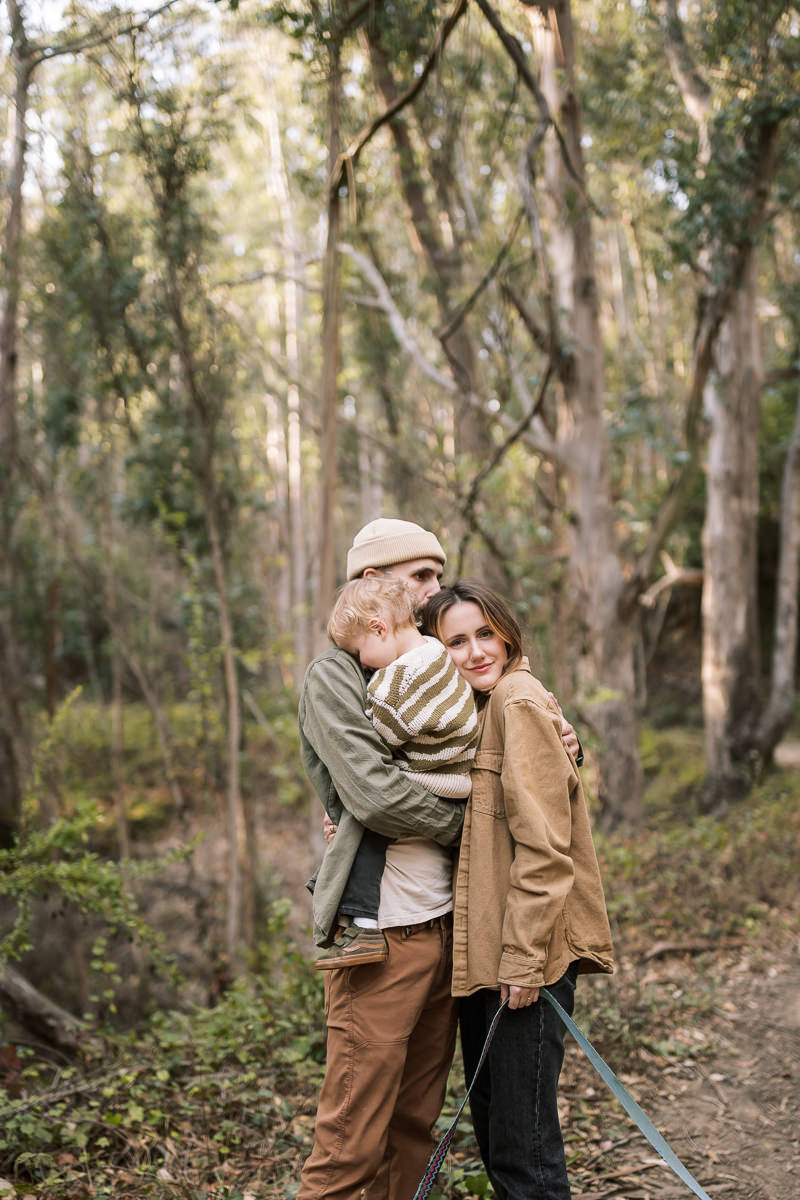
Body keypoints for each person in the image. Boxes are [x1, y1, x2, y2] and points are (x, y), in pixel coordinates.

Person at [297, 517, 581, 1200]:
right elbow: (374, 794)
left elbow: (496, 743)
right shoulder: (338, 674)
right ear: (372, 580)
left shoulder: (431, 659)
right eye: (420, 576)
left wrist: (560, 737)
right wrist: (479, 827)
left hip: (449, 932)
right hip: (380, 934)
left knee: (412, 1130)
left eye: (436, 574)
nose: (431, 592)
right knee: (349, 1142)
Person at [422, 581, 615, 1200]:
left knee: (524, 1157)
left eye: (486, 634)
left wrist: (525, 960)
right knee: (504, 1143)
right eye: (456, 641)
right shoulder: (476, 710)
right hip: (492, 956)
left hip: (522, 960)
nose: (476, 651)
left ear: (507, 632)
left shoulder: (516, 700)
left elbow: (544, 849)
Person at [314, 574, 478, 970]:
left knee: (367, 817)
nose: (362, 663)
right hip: (453, 771)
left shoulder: (400, 677)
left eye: (359, 651)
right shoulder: (436, 650)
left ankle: (364, 925)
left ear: (378, 627)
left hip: (433, 773)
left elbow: (380, 735)